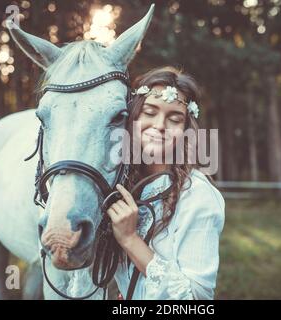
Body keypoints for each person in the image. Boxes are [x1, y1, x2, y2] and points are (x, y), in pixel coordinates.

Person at [107, 66, 225, 299]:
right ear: (133, 117)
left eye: (174, 119)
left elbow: (195, 299)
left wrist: (131, 240)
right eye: (150, 112)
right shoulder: (124, 186)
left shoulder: (197, 196)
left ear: (185, 130)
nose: (160, 125)